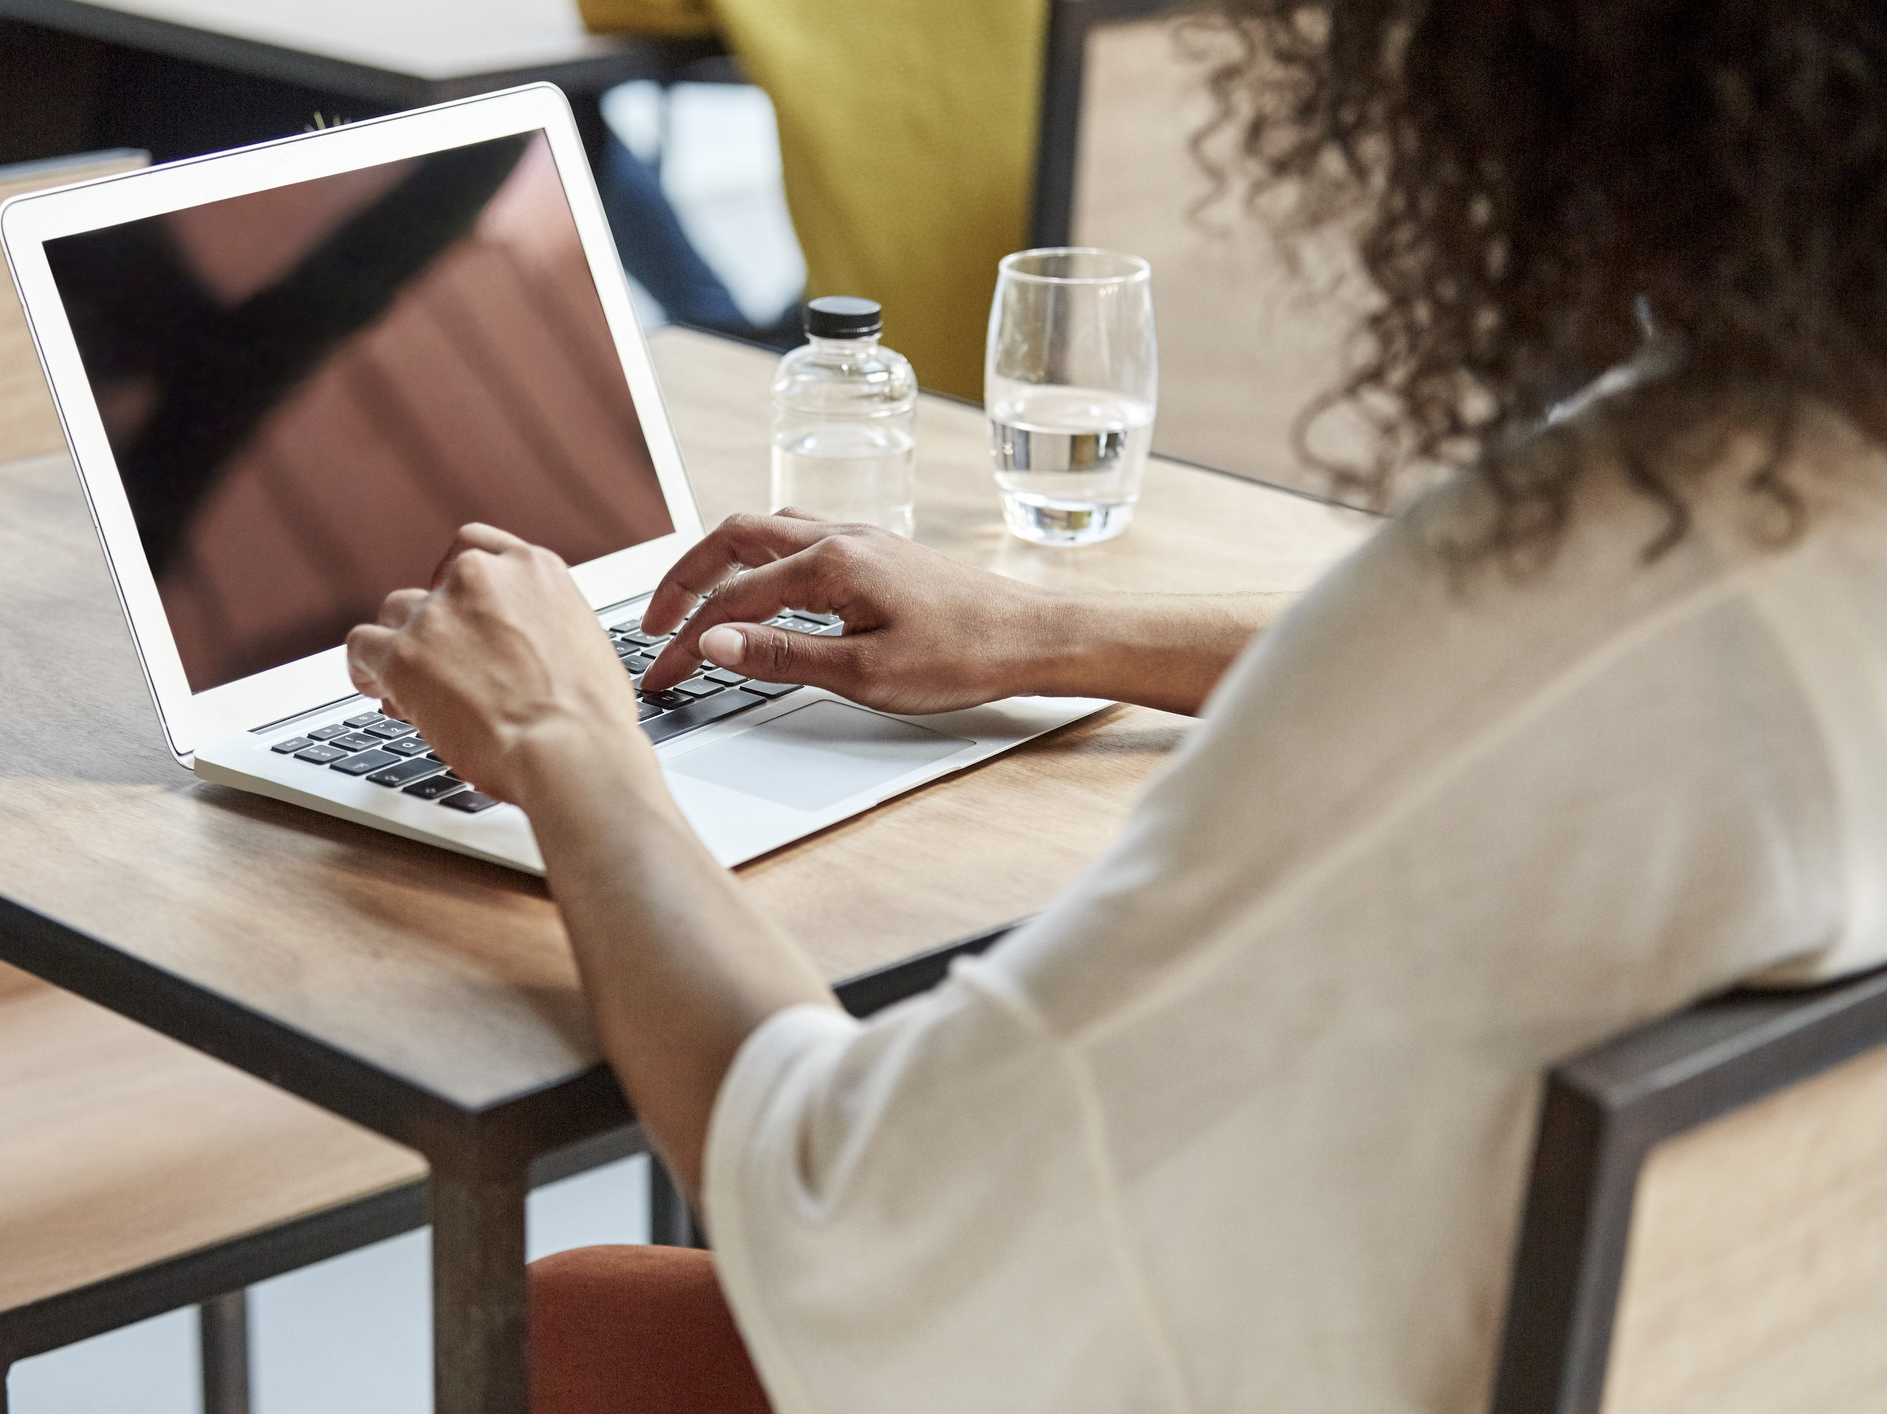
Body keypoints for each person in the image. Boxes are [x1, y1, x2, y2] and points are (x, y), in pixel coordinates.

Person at [346, 2, 1887, 1410]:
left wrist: (565, 738)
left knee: (576, 1334)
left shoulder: (1600, 599)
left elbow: (848, 1206)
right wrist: (1052, 632)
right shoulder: (1776, 508)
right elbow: (1517, 693)